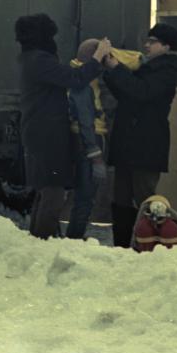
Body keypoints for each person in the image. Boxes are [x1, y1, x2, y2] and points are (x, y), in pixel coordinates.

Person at [16, 14, 111, 239]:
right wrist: (98, 57)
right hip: (46, 133)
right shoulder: (39, 60)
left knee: (44, 189)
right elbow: (76, 78)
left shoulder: (29, 58)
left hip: (38, 131)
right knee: (53, 191)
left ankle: (35, 240)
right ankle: (42, 243)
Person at [102, 23, 177, 248]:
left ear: (166, 47)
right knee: (121, 198)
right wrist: (111, 72)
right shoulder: (148, 68)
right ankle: (123, 245)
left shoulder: (166, 72)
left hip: (147, 143)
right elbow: (128, 93)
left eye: (152, 41)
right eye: (147, 41)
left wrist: (117, 69)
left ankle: (149, 244)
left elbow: (141, 92)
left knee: (144, 197)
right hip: (131, 143)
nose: (146, 45)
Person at [65, 39, 109, 240]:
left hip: (80, 140)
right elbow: (85, 120)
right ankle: (74, 237)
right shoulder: (85, 84)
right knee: (85, 195)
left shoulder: (78, 76)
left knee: (83, 195)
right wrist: (96, 154)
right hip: (88, 141)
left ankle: (74, 235)